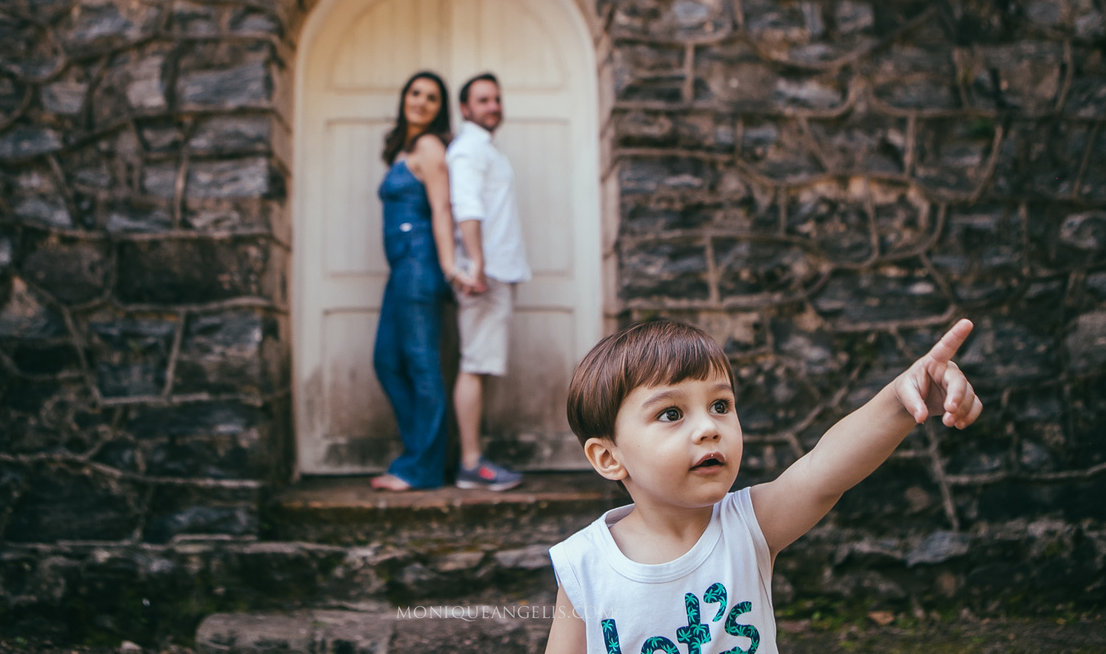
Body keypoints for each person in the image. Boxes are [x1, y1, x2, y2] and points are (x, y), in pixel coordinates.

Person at [544, 318, 982, 653]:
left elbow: (824, 470)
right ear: (609, 457)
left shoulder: (748, 525)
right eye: (671, 414)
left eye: (720, 405)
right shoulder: (583, 565)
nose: (708, 428)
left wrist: (902, 400)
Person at [370, 72, 473, 492]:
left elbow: (442, 210)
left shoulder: (430, 147)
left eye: (432, 98)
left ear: (438, 108)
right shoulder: (403, 149)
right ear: (404, 97)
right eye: (415, 93)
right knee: (387, 361)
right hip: (402, 270)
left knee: (422, 365)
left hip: (419, 266)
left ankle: (424, 469)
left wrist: (450, 267)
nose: (421, 102)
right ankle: (417, 456)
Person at [446, 73, 531, 491]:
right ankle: (471, 464)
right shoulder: (467, 150)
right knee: (475, 365)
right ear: (465, 108)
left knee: (480, 365)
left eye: (496, 98)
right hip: (487, 274)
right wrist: (477, 264)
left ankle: (473, 459)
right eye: (483, 100)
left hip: (497, 270)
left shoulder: (484, 149)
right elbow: (466, 206)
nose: (493, 106)